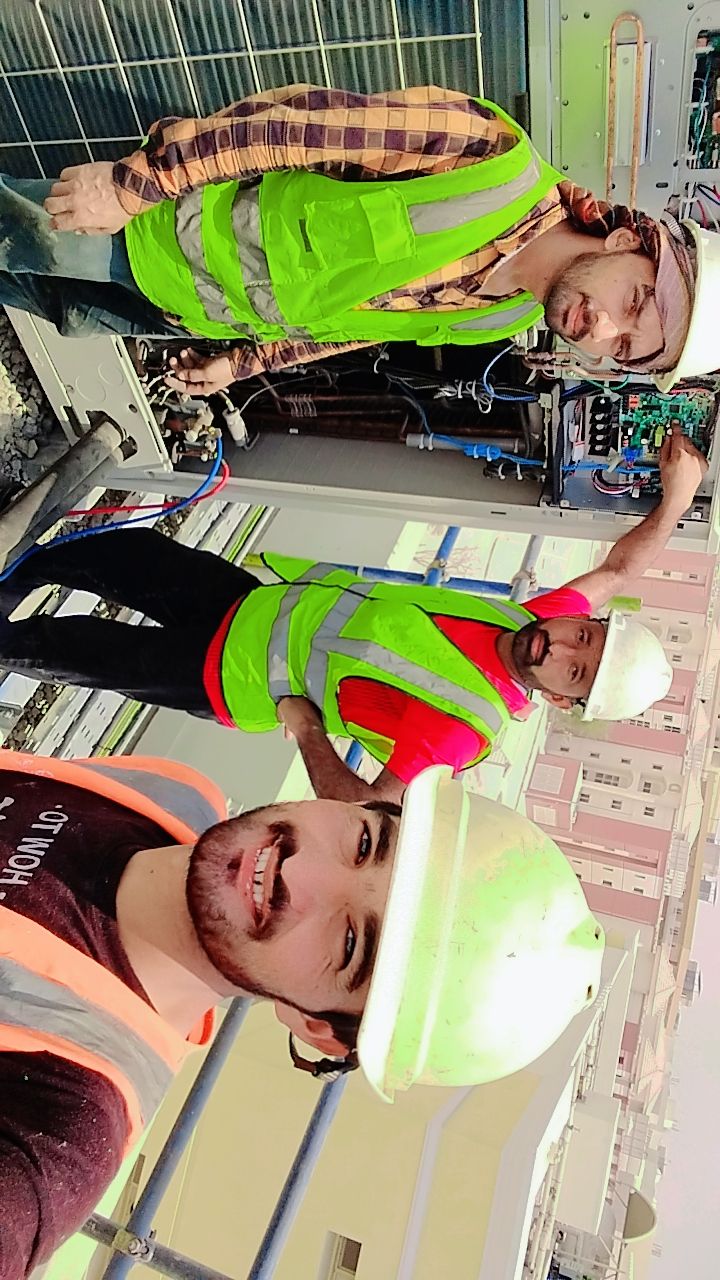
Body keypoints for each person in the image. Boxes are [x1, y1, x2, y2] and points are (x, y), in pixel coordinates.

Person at [0, 750, 604, 1277]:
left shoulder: (58, 1125)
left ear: (316, 1026)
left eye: (351, 944)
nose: (297, 870)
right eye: (364, 843)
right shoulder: (175, 796)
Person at [0, 427, 706, 804]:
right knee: (119, 553)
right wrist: (675, 500)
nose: (560, 649)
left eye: (575, 672)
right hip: (249, 603)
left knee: (66, 646)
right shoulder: (525, 622)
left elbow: (367, 807)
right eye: (583, 636)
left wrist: (308, 731)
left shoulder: (462, 729)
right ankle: (11, 568)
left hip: (230, 679)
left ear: (559, 700)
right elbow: (617, 572)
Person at [0, 84, 716, 392]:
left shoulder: (503, 318)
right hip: (154, 232)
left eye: (624, 346)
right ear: (627, 241)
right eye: (634, 300)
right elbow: (294, 127)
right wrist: (136, 185)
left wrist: (244, 363)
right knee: (9, 236)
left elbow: (355, 324)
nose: (603, 328)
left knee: (47, 304)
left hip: (185, 313)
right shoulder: (489, 159)